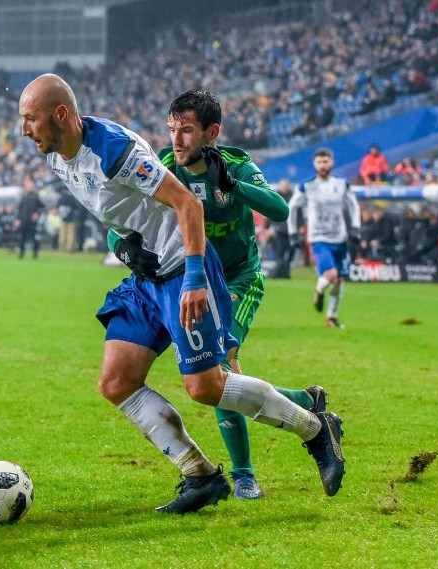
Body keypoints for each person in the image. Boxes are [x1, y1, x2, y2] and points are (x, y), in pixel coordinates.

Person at [19, 74, 344, 513]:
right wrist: (121, 243)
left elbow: (188, 205)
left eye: (30, 119)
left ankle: (313, 429)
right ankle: (200, 475)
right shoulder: (57, 156)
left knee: (206, 387)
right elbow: (113, 213)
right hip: (146, 277)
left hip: (183, 270)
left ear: (60, 115)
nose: (25, 130)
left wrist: (193, 278)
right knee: (116, 382)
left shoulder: (116, 151)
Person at [108, 89, 328, 500]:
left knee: (222, 367)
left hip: (237, 280)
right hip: (189, 283)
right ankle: (305, 401)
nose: (177, 139)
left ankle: (244, 474)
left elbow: (279, 210)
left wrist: (233, 185)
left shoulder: (237, 164)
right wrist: (120, 246)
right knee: (219, 378)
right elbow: (118, 217)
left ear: (212, 133)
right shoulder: (160, 166)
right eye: (173, 129)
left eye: (187, 130)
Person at [286, 147, 361, 328]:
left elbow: (353, 206)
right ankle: (319, 290)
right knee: (331, 274)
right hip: (318, 238)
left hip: (340, 237)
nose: (322, 165)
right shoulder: (306, 186)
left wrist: (356, 228)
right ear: (314, 164)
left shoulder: (342, 183)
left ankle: (331, 317)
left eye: (325, 161)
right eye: (319, 162)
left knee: (339, 279)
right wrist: (293, 232)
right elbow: (291, 208)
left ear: (332, 162)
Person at [15, 175, 45, 259]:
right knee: (22, 238)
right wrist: (18, 218)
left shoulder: (35, 197)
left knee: (34, 238)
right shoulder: (23, 197)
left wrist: (37, 214)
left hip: (32, 222)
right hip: (24, 221)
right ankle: (21, 254)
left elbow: (42, 207)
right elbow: (20, 209)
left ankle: (35, 254)